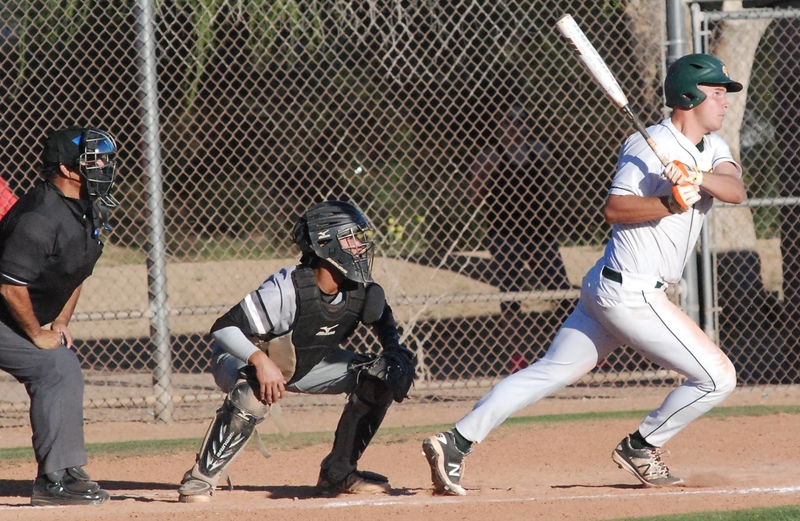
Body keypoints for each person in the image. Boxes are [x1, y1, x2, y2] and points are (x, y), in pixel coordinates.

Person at [422, 53, 746, 495]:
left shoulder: (713, 148)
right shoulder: (647, 144)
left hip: (615, 288)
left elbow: (735, 189)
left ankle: (454, 442)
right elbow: (615, 209)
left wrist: (696, 178)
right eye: (716, 93)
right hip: (630, 293)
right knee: (717, 377)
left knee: (550, 371)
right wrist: (669, 201)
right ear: (689, 97)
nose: (725, 101)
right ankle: (641, 445)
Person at [177, 200, 415, 502]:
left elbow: (382, 317)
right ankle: (200, 479)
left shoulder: (359, 288)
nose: (359, 246)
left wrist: (393, 351)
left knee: (380, 376)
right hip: (243, 355)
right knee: (252, 392)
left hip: (306, 362)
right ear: (326, 243)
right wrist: (260, 360)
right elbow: (224, 327)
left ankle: (338, 473)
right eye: (350, 238)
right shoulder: (286, 288)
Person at [0, 126, 120, 506]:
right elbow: (10, 285)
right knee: (53, 367)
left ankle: (62, 472)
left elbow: (75, 271)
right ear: (69, 170)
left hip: (10, 316)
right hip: (5, 310)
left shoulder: (85, 209)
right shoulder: (40, 217)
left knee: (60, 365)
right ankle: (54, 480)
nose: (105, 165)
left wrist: (61, 324)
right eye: (95, 159)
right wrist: (37, 334)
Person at [471, 103, 573, 369]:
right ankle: (517, 355)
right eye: (510, 121)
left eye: (522, 120)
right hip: (505, 233)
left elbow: (549, 187)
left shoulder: (540, 151)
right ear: (500, 126)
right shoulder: (491, 155)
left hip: (540, 231)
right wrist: (485, 174)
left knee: (559, 287)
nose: (517, 126)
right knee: (511, 292)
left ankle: (573, 350)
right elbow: (475, 194)